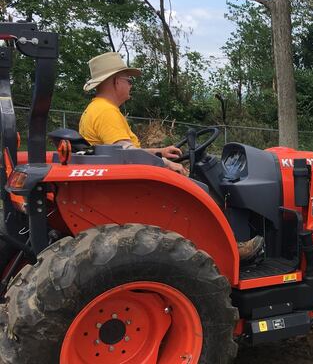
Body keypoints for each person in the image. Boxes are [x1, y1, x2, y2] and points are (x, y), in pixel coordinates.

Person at [79, 52, 263, 260]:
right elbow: (127, 154)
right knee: (201, 192)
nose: (131, 85)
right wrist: (166, 164)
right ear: (115, 81)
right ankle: (228, 248)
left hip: (119, 181)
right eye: (128, 80)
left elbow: (120, 150)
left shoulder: (95, 110)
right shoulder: (106, 112)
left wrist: (159, 152)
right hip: (128, 186)